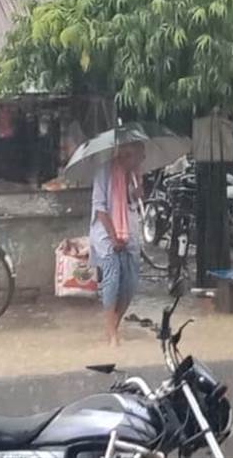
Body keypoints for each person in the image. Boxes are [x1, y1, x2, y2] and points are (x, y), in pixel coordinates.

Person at [90, 142, 145, 347]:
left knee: (130, 284)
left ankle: (113, 324)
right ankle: (112, 333)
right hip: (106, 231)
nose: (140, 161)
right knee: (112, 279)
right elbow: (100, 209)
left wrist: (137, 192)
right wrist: (113, 237)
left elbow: (133, 204)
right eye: (138, 156)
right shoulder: (103, 172)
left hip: (129, 230)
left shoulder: (134, 174)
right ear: (125, 154)